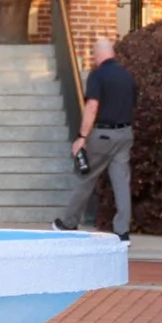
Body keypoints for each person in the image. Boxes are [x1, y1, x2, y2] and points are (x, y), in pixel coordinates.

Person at [55, 48, 137, 241]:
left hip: (102, 135)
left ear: (99, 55)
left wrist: (82, 136)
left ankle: (69, 222)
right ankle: (122, 231)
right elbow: (133, 103)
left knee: (86, 177)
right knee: (121, 183)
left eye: (94, 54)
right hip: (125, 134)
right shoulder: (127, 76)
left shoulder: (98, 75)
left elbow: (92, 107)